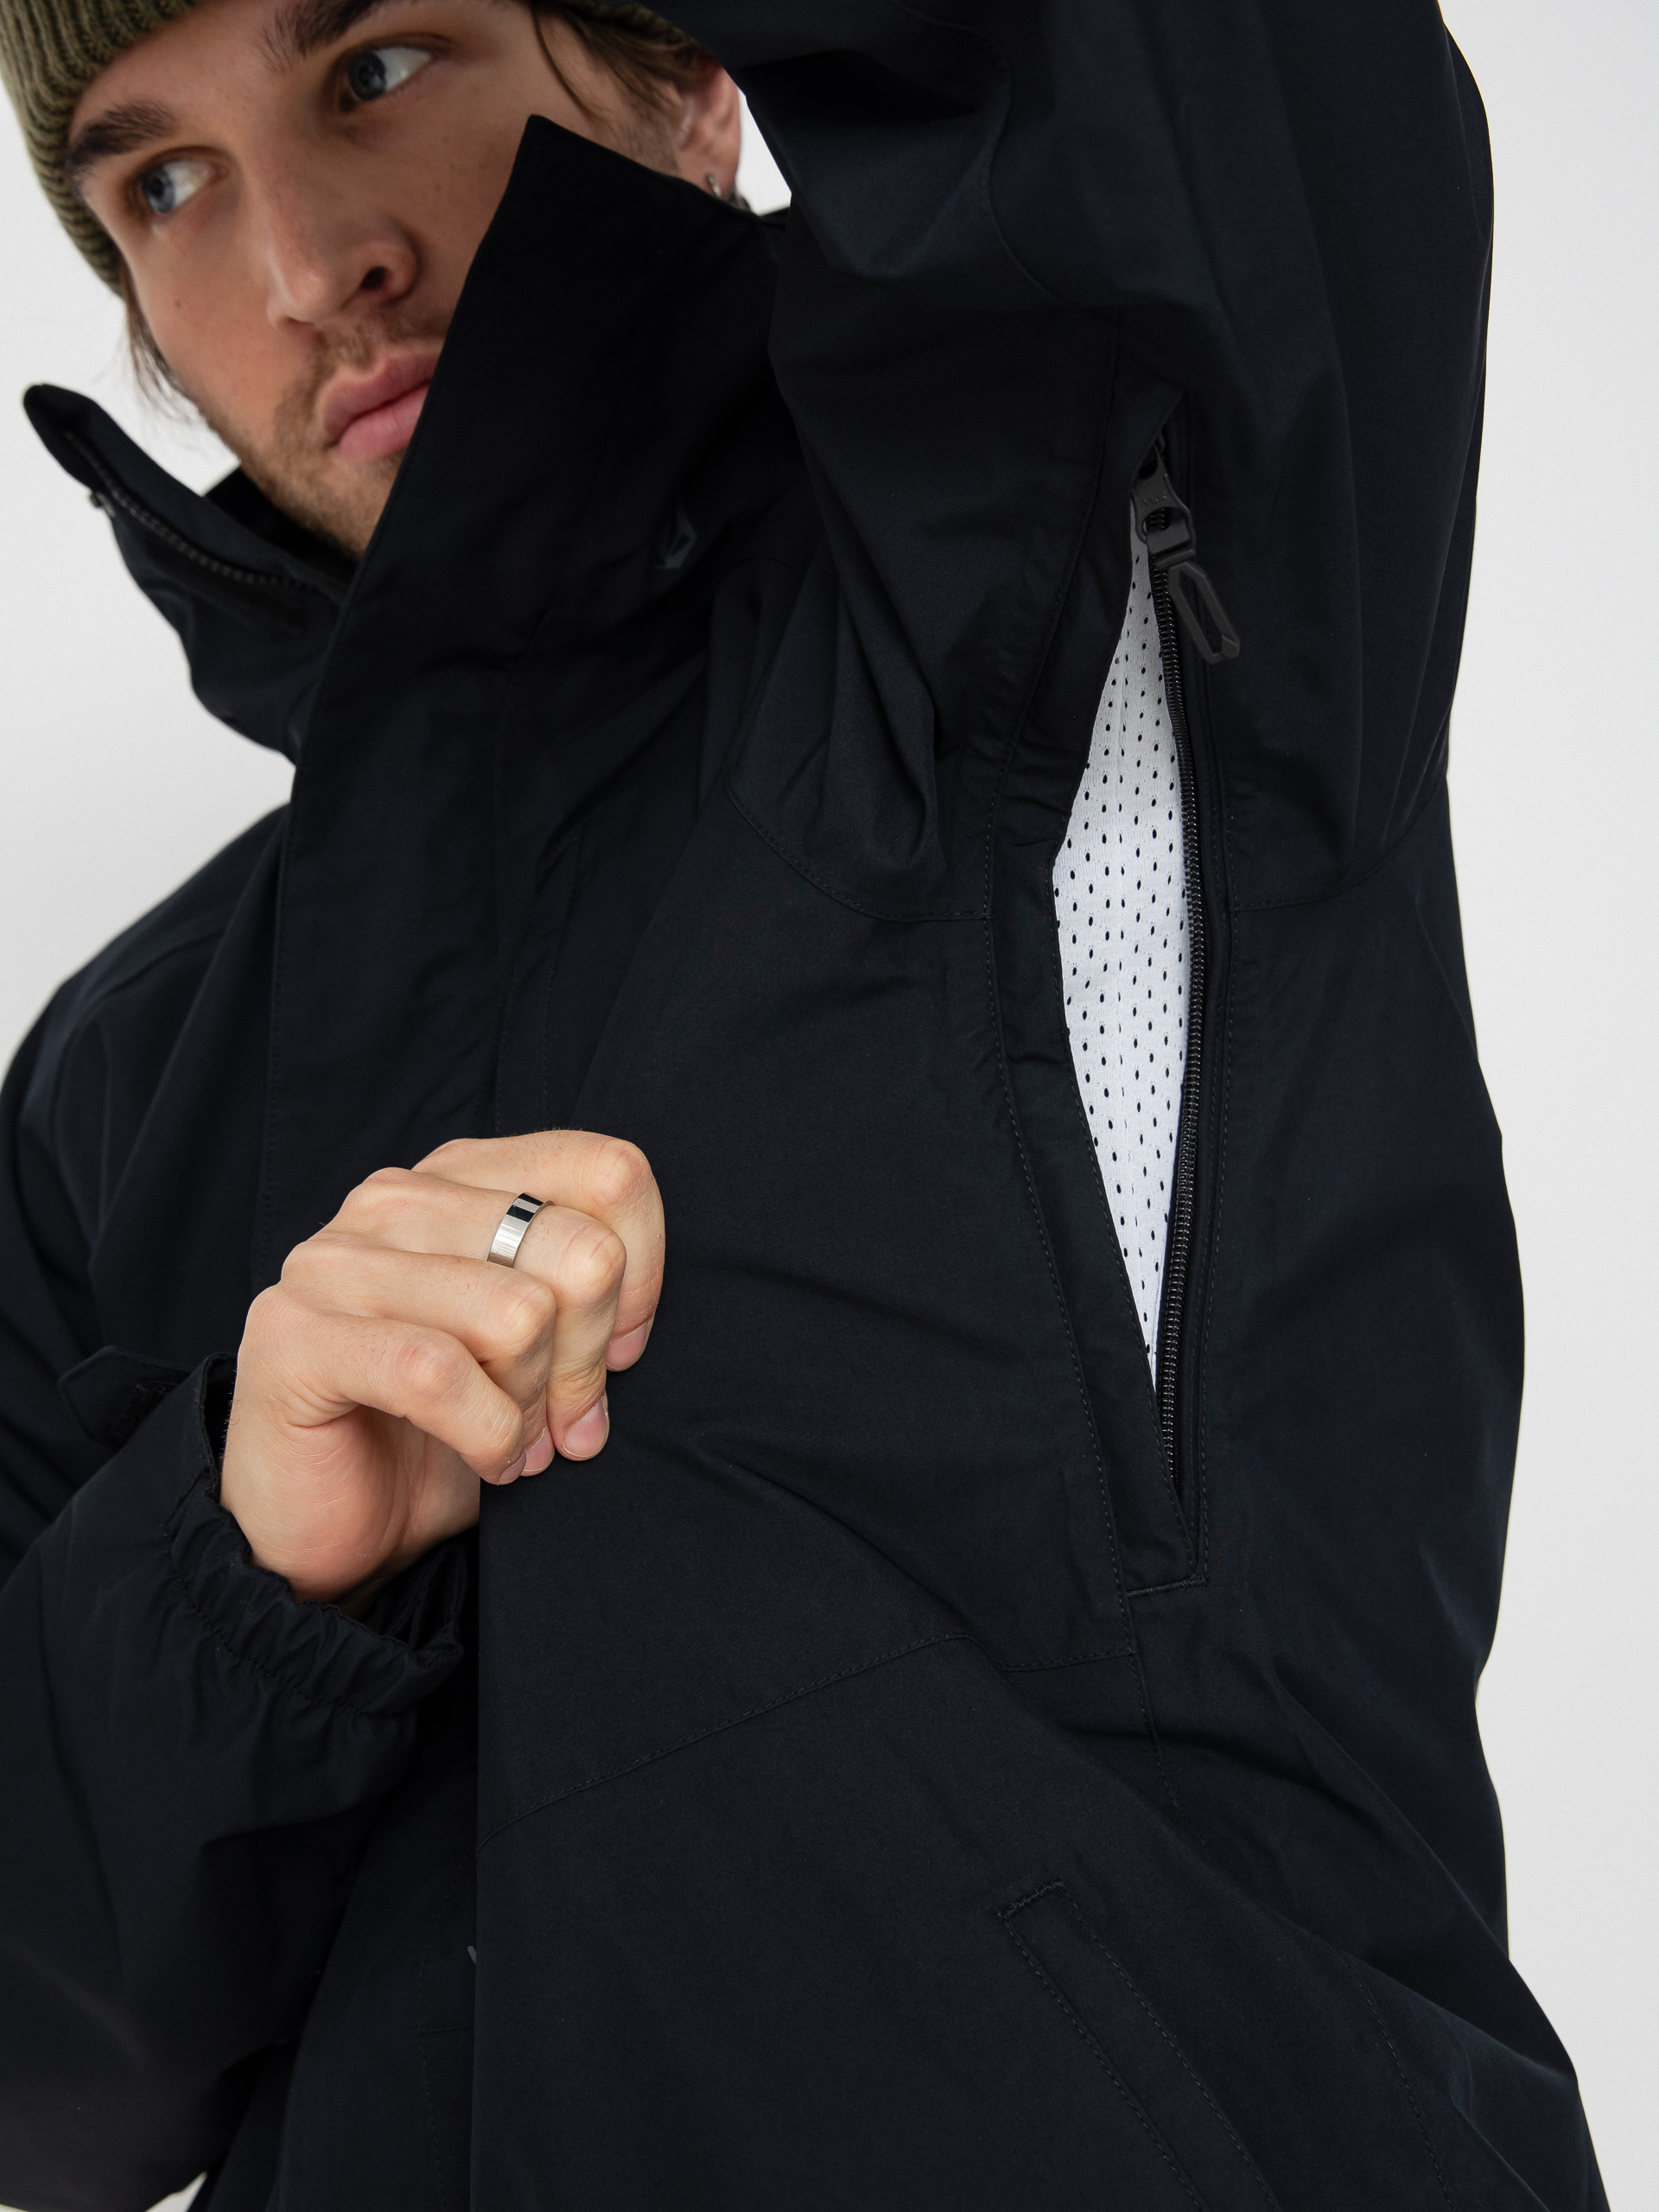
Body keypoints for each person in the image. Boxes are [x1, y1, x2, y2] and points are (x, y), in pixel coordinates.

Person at [0, 0, 1609, 2205]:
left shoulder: (1063, 539)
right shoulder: (123, 1072)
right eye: (161, 181)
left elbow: (1182, 80)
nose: (303, 267)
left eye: (375, 64)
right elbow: (43, 2083)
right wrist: (245, 1568)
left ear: (690, 74)